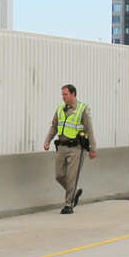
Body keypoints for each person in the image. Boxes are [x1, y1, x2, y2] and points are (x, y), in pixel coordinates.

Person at [42, 83, 96, 213]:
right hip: (62, 146)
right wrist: (47, 140)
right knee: (59, 175)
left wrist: (93, 148)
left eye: (65, 94)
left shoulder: (82, 109)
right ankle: (74, 192)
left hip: (76, 148)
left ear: (73, 94)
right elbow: (54, 126)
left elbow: (89, 129)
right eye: (62, 94)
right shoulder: (60, 109)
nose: (63, 97)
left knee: (72, 177)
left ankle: (68, 205)